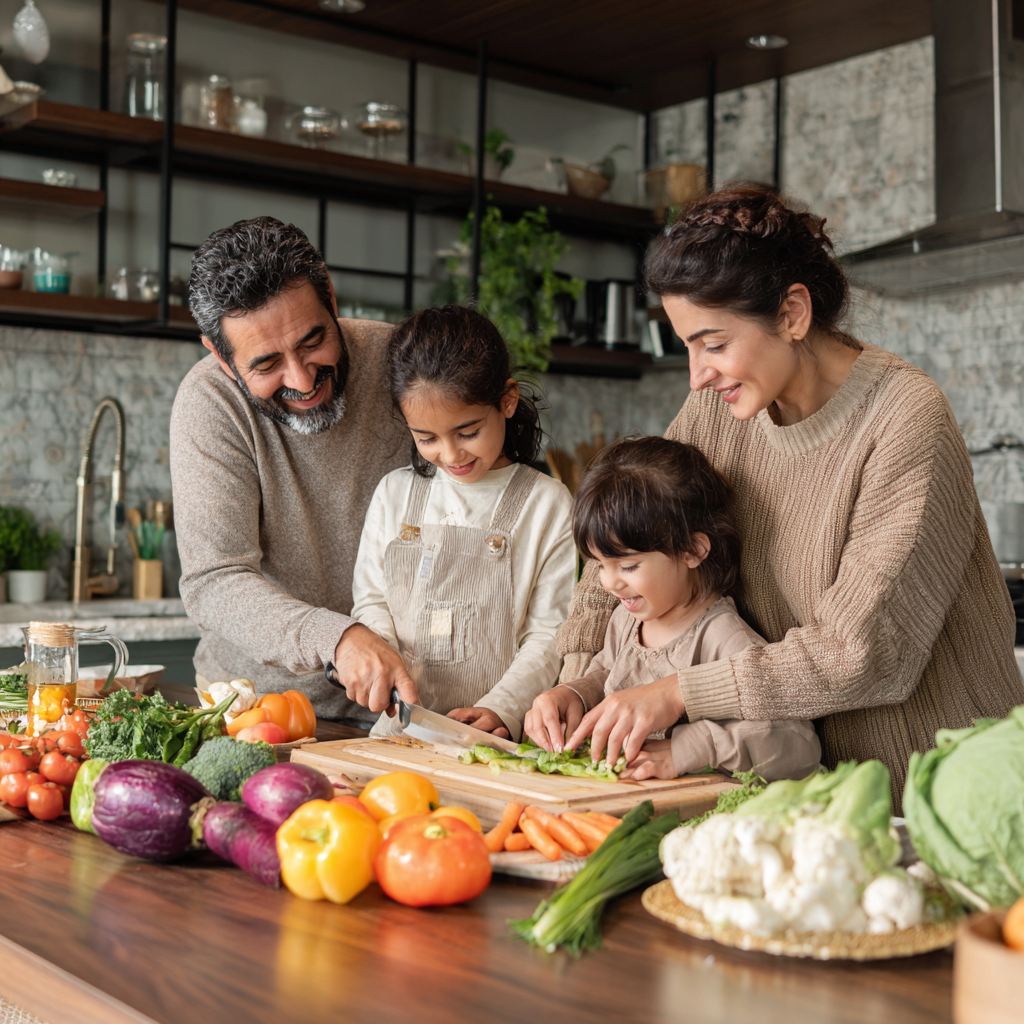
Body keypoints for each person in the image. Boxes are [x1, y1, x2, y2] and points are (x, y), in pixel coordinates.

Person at [551, 186, 1023, 803]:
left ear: (793, 314)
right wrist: (574, 684)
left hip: (935, 783)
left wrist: (679, 693)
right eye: (688, 345)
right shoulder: (717, 408)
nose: (697, 374)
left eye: (714, 344)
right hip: (799, 787)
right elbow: (627, 532)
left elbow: (859, 650)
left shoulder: (905, 418)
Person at [170, 217, 420, 722]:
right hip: (259, 707)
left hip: (404, 703)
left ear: (330, 294)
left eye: (312, 341)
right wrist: (338, 637)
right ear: (221, 355)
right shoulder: (209, 403)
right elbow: (216, 579)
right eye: (266, 365)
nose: (303, 379)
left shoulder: (403, 364)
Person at [525, 436, 821, 781]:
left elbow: (798, 745)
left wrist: (688, 748)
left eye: (628, 566)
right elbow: (610, 675)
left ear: (693, 550)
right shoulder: (625, 619)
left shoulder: (723, 638)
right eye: (600, 564)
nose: (608, 583)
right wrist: (573, 693)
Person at [350, 305, 576, 740]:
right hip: (400, 733)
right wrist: (384, 668)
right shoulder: (393, 494)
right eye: (427, 438)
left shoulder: (546, 503)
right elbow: (372, 602)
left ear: (506, 400)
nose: (451, 455)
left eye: (467, 432)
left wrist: (501, 708)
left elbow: (550, 634)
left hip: (498, 739)